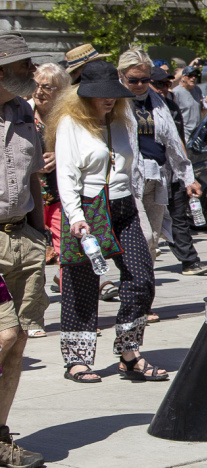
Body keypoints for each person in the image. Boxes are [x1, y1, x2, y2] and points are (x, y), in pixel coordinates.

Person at [52, 61, 167, 384]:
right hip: (88, 208)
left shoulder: (121, 119)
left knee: (140, 277)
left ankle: (129, 352)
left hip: (122, 205)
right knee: (81, 283)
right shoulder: (70, 123)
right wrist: (75, 216)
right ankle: (77, 360)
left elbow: (129, 165)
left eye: (112, 94)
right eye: (100, 94)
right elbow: (66, 174)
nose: (108, 99)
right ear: (84, 95)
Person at [118, 52, 207, 278]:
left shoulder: (159, 102)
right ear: (121, 75)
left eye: (145, 79)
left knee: (153, 240)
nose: (140, 85)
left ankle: (142, 289)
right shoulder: (115, 101)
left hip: (157, 176)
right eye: (133, 80)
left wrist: (188, 177)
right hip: (129, 179)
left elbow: (173, 141)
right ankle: (133, 283)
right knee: (144, 237)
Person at [0, 36, 45, 468]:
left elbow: (33, 176)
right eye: (24, 65)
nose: (33, 71)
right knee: (5, 335)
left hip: (23, 238)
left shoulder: (24, 113)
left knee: (19, 342)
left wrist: (40, 234)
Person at [21, 62, 68, 338]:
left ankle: (74, 317)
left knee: (69, 255)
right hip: (30, 197)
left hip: (61, 195)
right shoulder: (22, 112)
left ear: (60, 90)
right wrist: (33, 164)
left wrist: (60, 157)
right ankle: (32, 318)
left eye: (47, 87)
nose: (39, 92)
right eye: (36, 85)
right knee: (34, 259)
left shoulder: (67, 116)